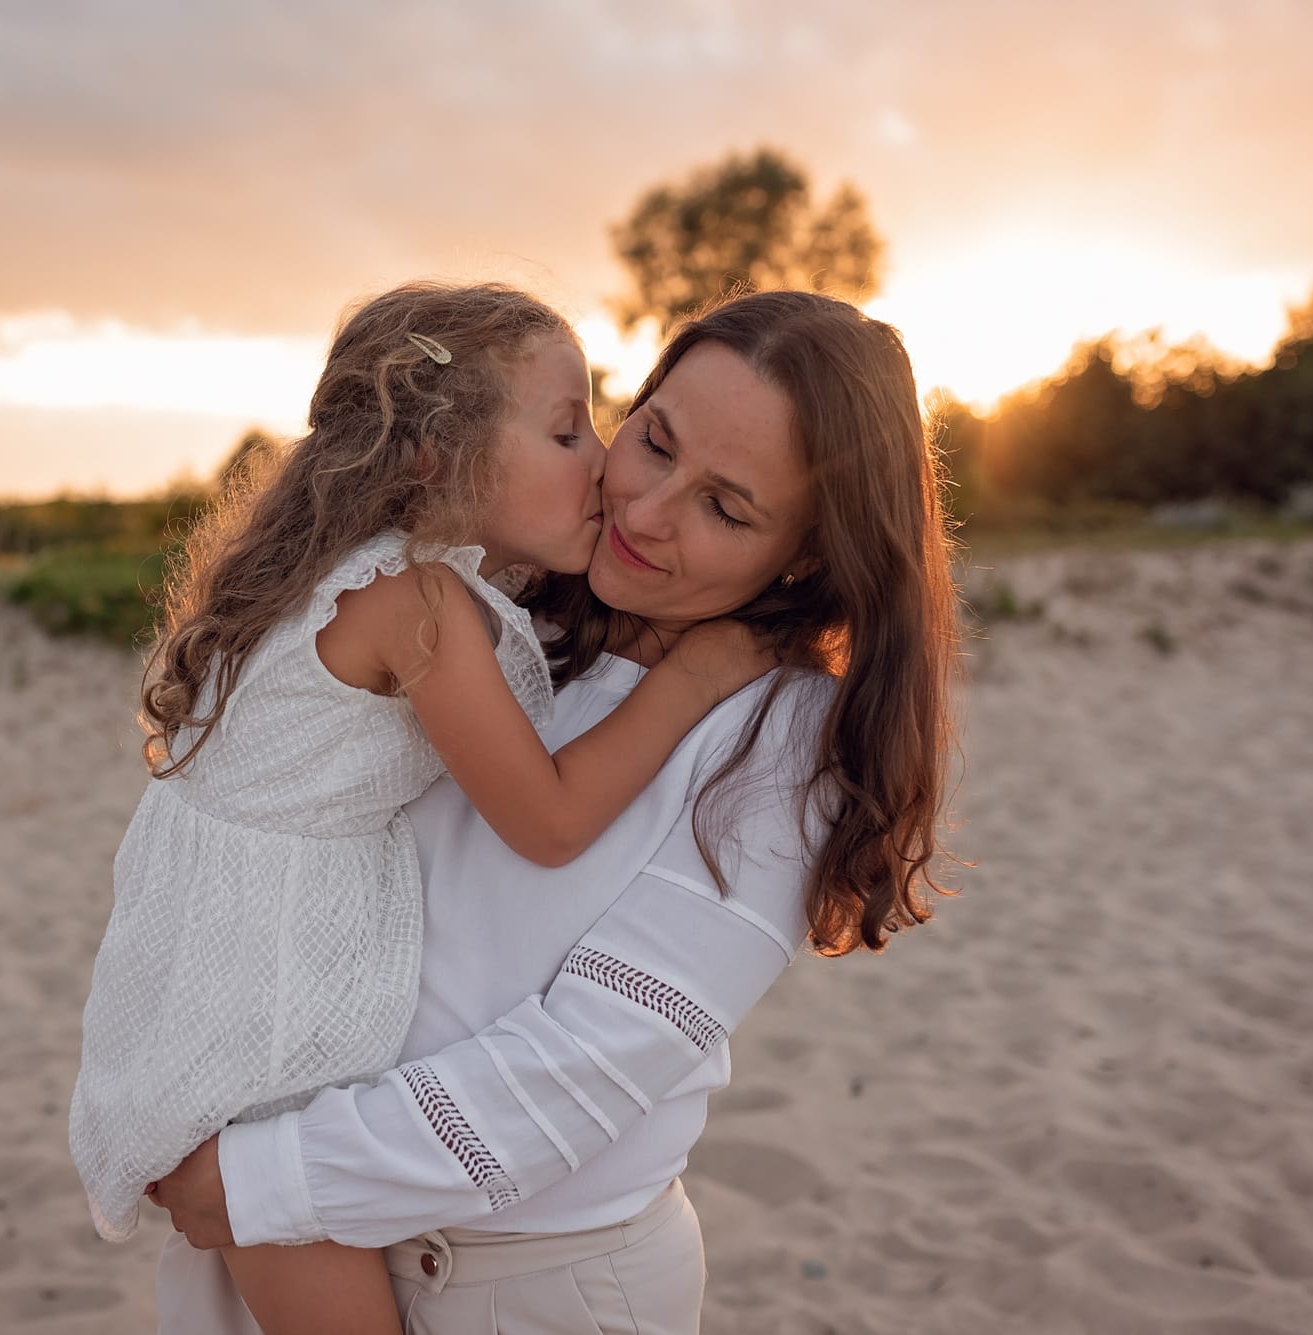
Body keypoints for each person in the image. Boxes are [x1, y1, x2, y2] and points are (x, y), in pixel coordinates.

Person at [149, 288, 961, 1334]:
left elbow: (580, 1070)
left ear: (806, 553)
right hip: (277, 1240)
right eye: (652, 442)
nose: (644, 513)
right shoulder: (494, 600)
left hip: (514, 1288)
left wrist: (264, 1178)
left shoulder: (780, 735)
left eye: (725, 509)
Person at [68, 282, 776, 1335]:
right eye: (565, 431)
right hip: (271, 1036)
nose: (602, 464)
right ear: (437, 460)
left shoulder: (353, 577)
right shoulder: (417, 606)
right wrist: (695, 676)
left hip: (214, 986)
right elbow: (548, 821)